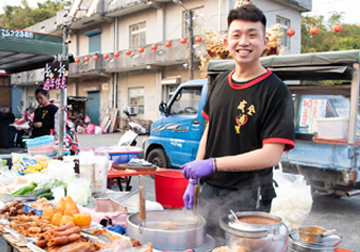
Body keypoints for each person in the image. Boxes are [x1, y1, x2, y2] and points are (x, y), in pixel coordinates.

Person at [181, 4, 295, 241]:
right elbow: (209, 132)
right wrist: (194, 179)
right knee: (208, 245)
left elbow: (271, 155)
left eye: (252, 35)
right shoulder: (221, 82)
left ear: (265, 43)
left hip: (249, 193)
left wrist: (212, 164)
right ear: (226, 43)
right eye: (237, 35)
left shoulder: (276, 91)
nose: (244, 42)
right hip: (210, 189)